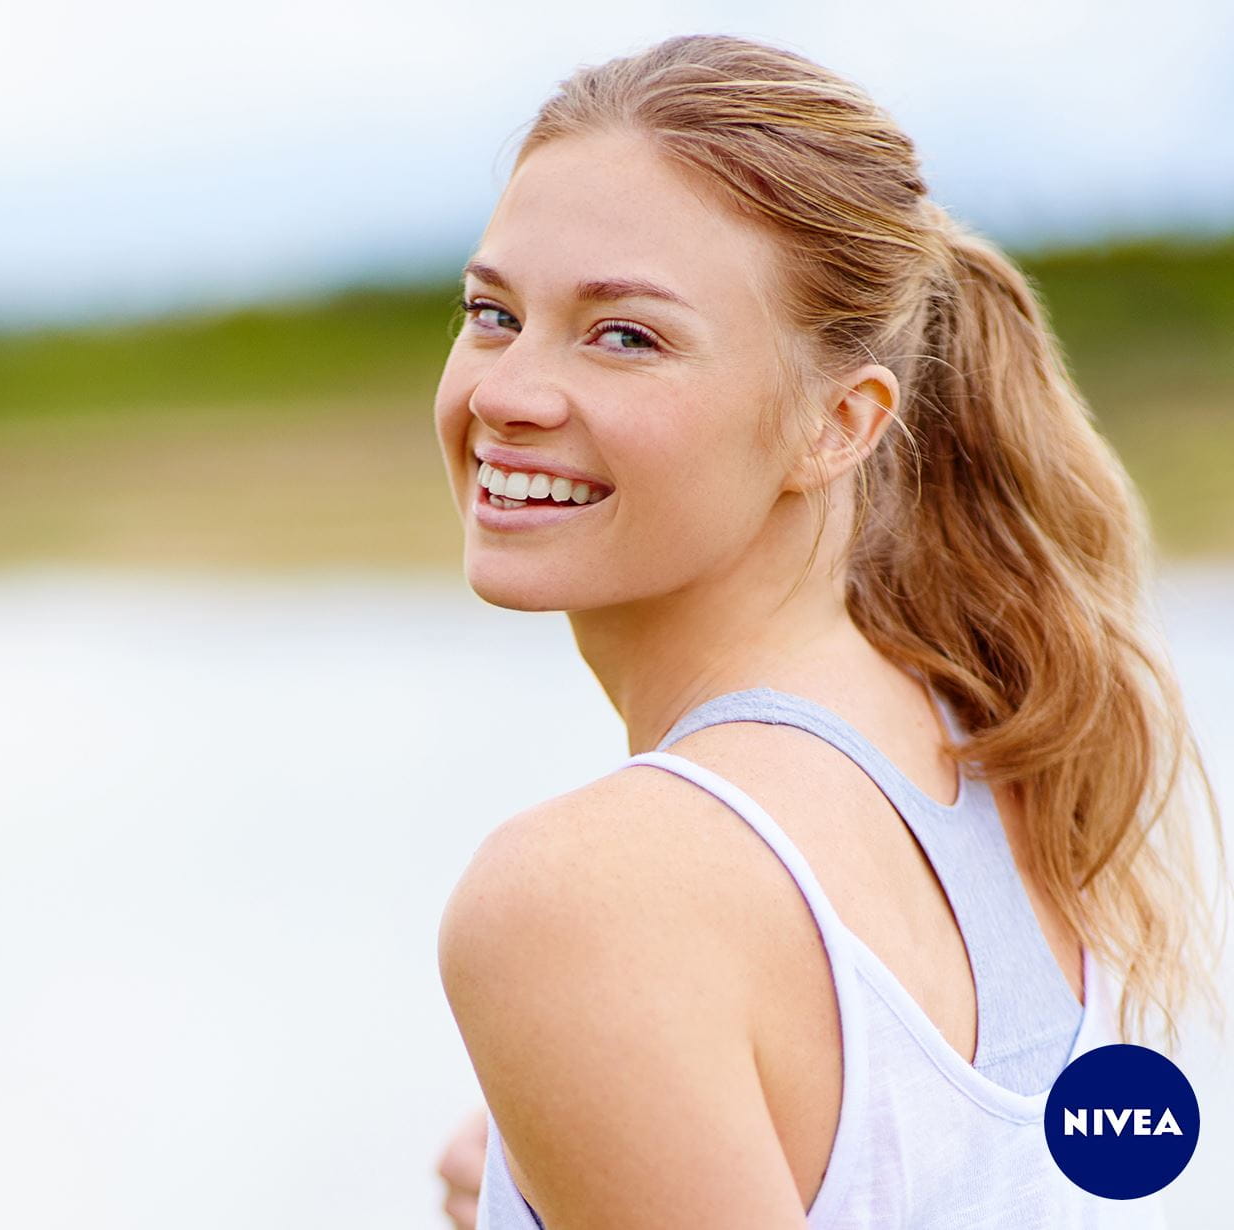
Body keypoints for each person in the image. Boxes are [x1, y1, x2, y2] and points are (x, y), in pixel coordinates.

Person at [429, 33, 1225, 1230]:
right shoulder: (1001, 749)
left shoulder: (585, 898)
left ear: (838, 425)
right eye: (493, 313)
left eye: (624, 335)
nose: (504, 393)